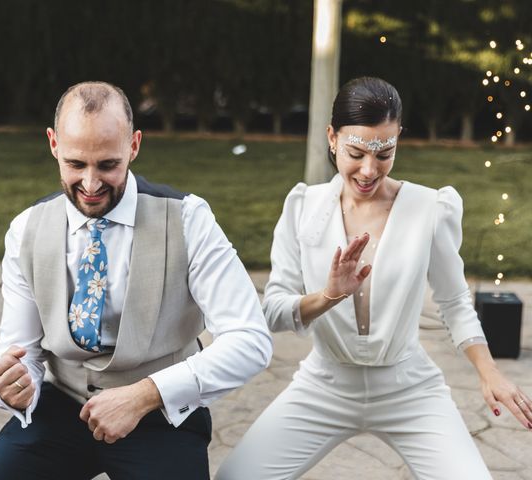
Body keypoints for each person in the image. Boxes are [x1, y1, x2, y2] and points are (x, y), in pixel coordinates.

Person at [216, 77, 532, 480]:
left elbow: (454, 302)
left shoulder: (430, 208)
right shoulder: (302, 207)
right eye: (356, 152)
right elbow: (273, 309)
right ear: (332, 138)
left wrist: (489, 373)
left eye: (385, 153)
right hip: (324, 385)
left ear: (398, 138)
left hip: (408, 388)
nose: (369, 170)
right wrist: (329, 296)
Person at [0, 81, 272, 480]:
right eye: (76, 164)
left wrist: (146, 394)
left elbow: (250, 340)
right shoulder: (26, 229)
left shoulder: (188, 219)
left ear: (134, 146)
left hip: (161, 416)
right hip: (61, 409)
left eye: (107, 165)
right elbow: (19, 350)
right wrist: (13, 389)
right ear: (53, 143)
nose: (90, 185)